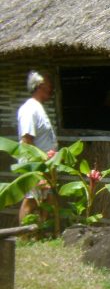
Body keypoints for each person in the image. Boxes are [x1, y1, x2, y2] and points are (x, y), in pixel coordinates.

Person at [17, 70, 58, 224]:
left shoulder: (38, 108)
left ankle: (40, 234)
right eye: (48, 84)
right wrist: (36, 171)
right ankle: (24, 237)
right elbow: (27, 141)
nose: (51, 88)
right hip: (35, 166)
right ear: (40, 86)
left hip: (44, 165)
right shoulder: (29, 109)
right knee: (31, 201)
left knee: (46, 200)